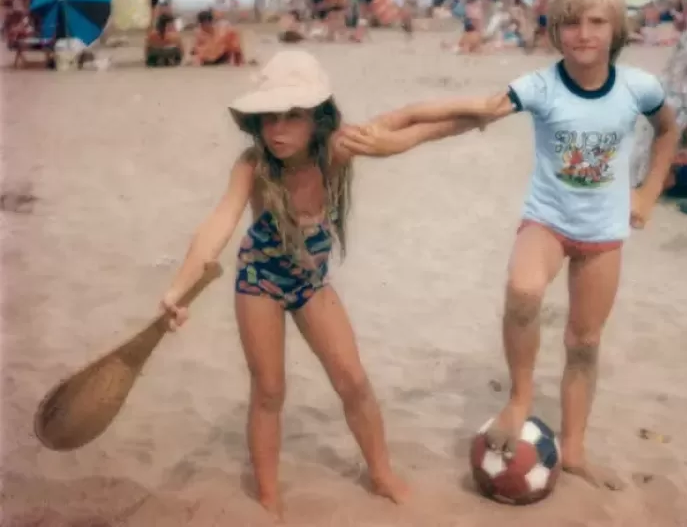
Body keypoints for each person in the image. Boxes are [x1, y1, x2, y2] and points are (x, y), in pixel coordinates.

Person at [342, 0, 679, 487]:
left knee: (584, 342)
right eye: (570, 23)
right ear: (554, 30)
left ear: (616, 30)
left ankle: (576, 450)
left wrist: (650, 190)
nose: (583, 33)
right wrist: (399, 135)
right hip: (547, 221)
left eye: (595, 22)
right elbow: (470, 115)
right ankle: (520, 398)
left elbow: (668, 130)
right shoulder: (542, 86)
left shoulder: (640, 88)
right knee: (522, 291)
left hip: (604, 232)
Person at [158, 50, 479, 520]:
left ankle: (383, 474)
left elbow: (409, 122)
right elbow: (218, 225)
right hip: (260, 282)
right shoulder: (253, 165)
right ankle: (268, 495)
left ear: (318, 119)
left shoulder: (336, 150)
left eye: (292, 116)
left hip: (311, 282)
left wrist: (478, 115)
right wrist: (178, 290)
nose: (278, 130)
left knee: (353, 380)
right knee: (269, 390)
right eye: (268, 118)